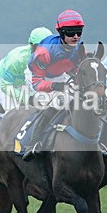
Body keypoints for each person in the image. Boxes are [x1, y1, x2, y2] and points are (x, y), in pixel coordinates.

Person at [22, 9, 85, 160]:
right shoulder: (45, 52)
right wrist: (55, 87)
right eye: (70, 32)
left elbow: (77, 71)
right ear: (61, 32)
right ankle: (33, 144)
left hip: (60, 75)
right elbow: (37, 83)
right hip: (36, 78)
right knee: (55, 103)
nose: (75, 36)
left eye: (79, 31)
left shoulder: (78, 47)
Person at [0, 26, 52, 110]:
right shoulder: (17, 59)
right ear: (31, 45)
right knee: (13, 113)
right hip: (5, 83)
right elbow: (5, 85)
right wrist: (27, 99)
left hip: (25, 83)